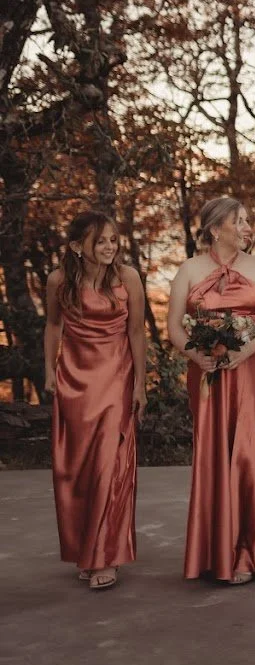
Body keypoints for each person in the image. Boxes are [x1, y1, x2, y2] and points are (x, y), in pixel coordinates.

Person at [170, 197, 255, 584]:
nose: (247, 228)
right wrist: (196, 355)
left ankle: (249, 552)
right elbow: (174, 326)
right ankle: (214, 551)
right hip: (207, 374)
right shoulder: (189, 270)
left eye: (247, 221)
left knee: (248, 454)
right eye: (238, 221)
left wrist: (245, 351)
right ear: (214, 228)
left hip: (253, 371)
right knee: (213, 455)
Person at [45, 211, 145, 591]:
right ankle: (85, 550)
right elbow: (53, 325)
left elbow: (136, 332)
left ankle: (105, 555)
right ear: (76, 246)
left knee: (109, 465)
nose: (109, 246)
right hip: (74, 379)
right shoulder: (58, 280)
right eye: (99, 240)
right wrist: (49, 371)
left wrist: (140, 384)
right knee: (75, 468)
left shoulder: (128, 278)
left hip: (116, 378)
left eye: (113, 240)